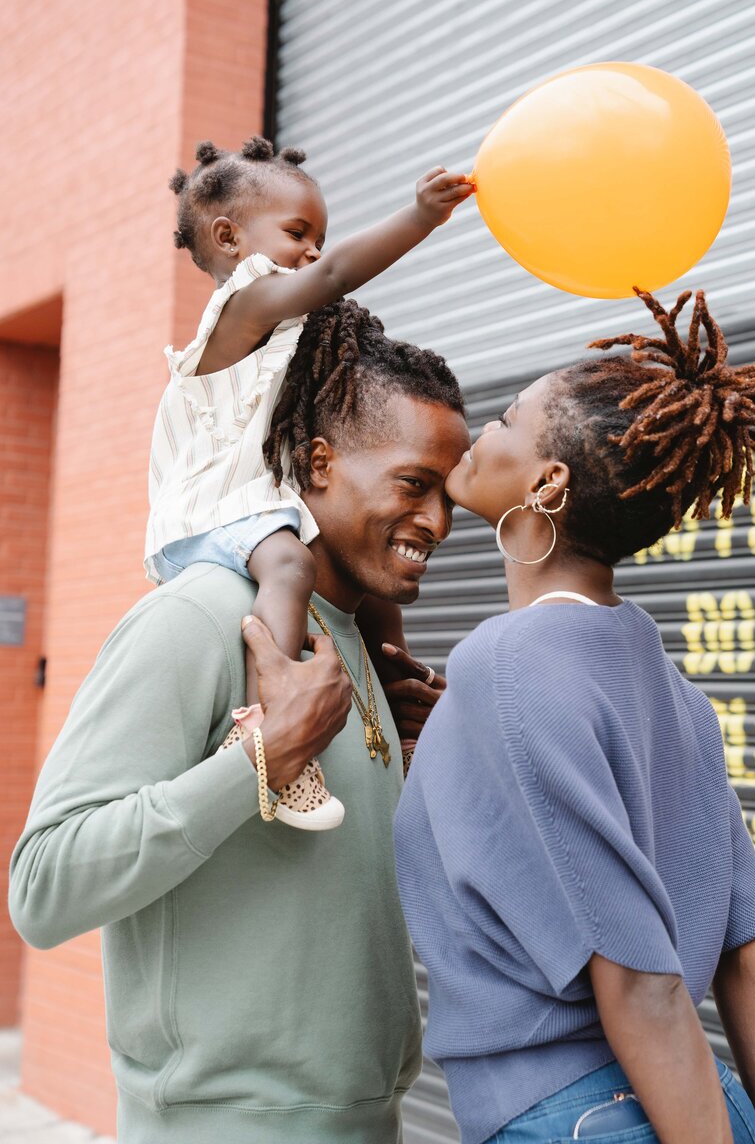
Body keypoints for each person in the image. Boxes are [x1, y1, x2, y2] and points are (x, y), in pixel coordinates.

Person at [9, 301, 471, 1144]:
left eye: (450, 491)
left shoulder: (354, 642)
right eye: (414, 484)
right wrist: (256, 760)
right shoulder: (202, 619)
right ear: (321, 464)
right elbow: (42, 887)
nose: (439, 521)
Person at [394, 289, 755, 1144]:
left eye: (504, 419)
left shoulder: (505, 663)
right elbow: (753, 950)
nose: (481, 432)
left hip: (579, 1119)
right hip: (702, 1108)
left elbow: (643, 982)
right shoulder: (673, 691)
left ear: (547, 482)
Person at [147, 135, 473, 828]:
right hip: (208, 513)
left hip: (255, 505)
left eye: (319, 236)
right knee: (291, 563)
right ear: (229, 237)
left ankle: (400, 710)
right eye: (299, 233)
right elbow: (330, 282)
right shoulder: (242, 307)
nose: (315, 252)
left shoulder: (281, 334)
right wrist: (419, 217)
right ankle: (270, 724)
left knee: (373, 602)